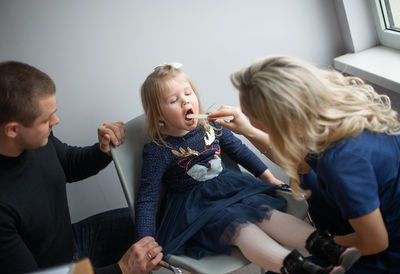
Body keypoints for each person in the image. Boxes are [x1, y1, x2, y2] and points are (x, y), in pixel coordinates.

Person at [135, 63, 361, 274]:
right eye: (173, 100)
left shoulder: (212, 125)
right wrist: (146, 241)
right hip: (197, 207)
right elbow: (147, 197)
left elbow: (240, 152)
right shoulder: (158, 150)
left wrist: (269, 177)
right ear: (158, 114)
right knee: (240, 227)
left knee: (266, 214)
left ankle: (329, 248)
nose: (185, 102)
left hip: (232, 189)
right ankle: (303, 269)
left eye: (188, 93)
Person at [208, 55, 400, 273]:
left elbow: (375, 242)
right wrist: (249, 130)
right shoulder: (333, 115)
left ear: (281, 121)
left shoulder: (342, 163)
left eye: (250, 114)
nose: (246, 117)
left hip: (385, 255)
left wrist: (318, 243)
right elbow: (301, 165)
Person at [0, 61, 163, 274]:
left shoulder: (36, 139)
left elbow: (68, 163)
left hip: (73, 241)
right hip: (55, 270)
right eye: (46, 119)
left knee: (156, 219)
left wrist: (103, 150)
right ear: (13, 130)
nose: (56, 121)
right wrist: (122, 269)